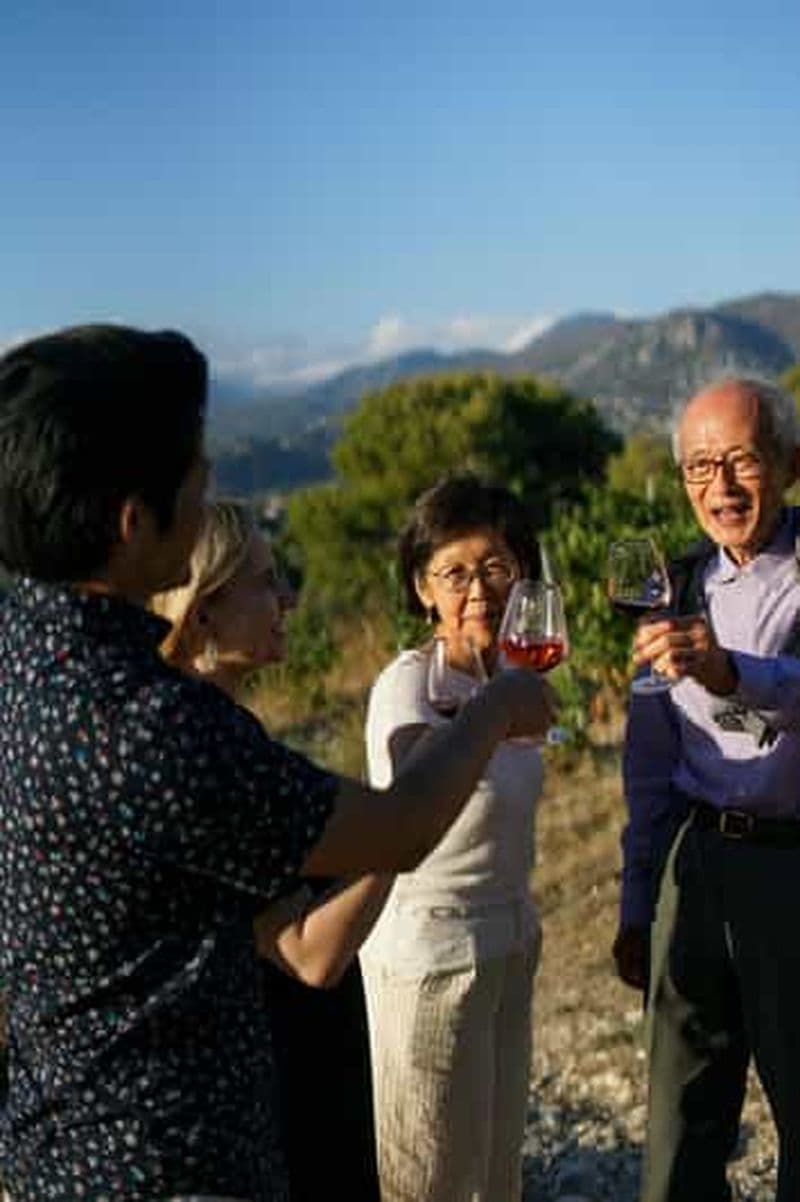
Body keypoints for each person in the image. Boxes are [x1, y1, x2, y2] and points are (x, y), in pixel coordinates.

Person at [0, 325, 555, 1202]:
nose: (208, 483)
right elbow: (399, 833)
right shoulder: (151, 724)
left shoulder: (25, 657)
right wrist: (494, 711)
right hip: (168, 1160)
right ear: (132, 520)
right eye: (193, 471)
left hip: (53, 1142)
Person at [152, 498, 388, 1202]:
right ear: (203, 614)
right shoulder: (208, 753)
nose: (287, 597)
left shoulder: (220, 730)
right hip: (283, 1092)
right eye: (264, 580)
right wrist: (413, 824)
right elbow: (308, 954)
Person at [614, 376, 800, 1202]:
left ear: (790, 464)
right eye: (698, 468)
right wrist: (634, 898)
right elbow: (650, 764)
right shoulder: (675, 586)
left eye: (740, 462)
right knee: (680, 1134)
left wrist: (728, 672)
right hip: (698, 869)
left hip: (793, 869)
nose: (719, 489)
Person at [361, 474, 545, 1202]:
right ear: (422, 587)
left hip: (510, 942)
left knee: (497, 1180)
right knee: (427, 1183)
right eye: (455, 572)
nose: (480, 590)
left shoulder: (513, 675)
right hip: (430, 957)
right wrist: (497, 711)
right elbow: (412, 773)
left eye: (497, 567)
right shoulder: (409, 683)